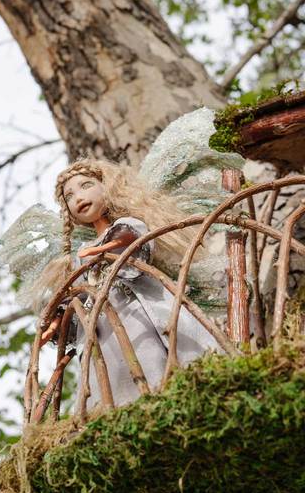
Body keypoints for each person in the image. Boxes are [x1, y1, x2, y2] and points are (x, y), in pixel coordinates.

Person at [32, 158, 219, 408]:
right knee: (111, 369)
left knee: (148, 354)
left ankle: (161, 395)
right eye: (69, 196)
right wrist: (59, 318)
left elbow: (130, 243)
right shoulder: (82, 252)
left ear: (106, 187)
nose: (78, 197)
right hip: (102, 325)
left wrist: (106, 249)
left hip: (136, 310)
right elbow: (80, 294)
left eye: (86, 185)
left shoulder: (127, 225)